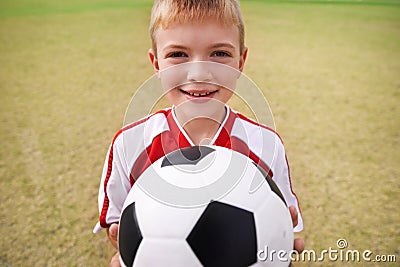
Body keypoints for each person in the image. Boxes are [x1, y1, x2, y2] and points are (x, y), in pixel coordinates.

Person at [94, 0, 304, 266]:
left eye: (219, 54)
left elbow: (285, 225)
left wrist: (279, 239)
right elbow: (118, 230)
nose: (199, 72)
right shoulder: (129, 145)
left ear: (241, 61)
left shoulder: (265, 145)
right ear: (156, 63)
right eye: (178, 54)